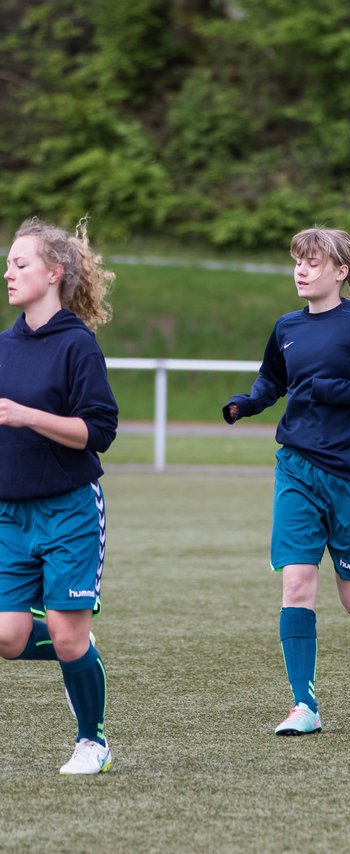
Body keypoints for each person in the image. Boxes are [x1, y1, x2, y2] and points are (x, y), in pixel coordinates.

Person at [224, 227, 350, 735]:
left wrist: (344, 390)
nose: (300, 270)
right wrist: (249, 402)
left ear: (340, 272)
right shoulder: (287, 326)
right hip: (296, 465)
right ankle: (303, 706)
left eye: (312, 262)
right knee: (296, 582)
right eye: (297, 261)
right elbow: (273, 379)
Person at [0, 217, 119, 774]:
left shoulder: (78, 345)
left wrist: (27, 417)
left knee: (70, 639)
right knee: (7, 636)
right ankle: (82, 655)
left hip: (69, 509)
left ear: (55, 272)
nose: (9, 273)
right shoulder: (3, 347)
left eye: (20, 264)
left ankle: (92, 741)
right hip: (8, 514)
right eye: (7, 264)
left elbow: (98, 432)